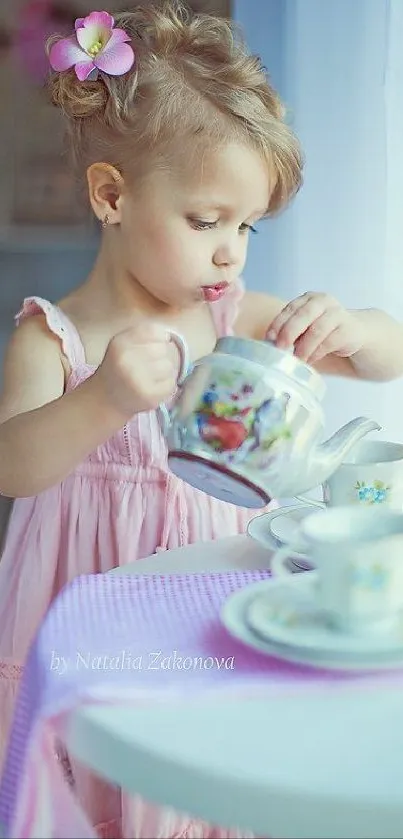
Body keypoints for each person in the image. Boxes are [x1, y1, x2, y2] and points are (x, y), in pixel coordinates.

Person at [1, 1, 403, 836]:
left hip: (204, 613)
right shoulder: (56, 335)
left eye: (247, 224)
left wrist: (354, 329)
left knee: (201, 784)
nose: (232, 251)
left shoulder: (232, 319)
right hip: (88, 623)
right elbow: (12, 465)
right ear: (112, 196)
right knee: (104, 785)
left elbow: (387, 356)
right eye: (206, 220)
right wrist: (101, 398)